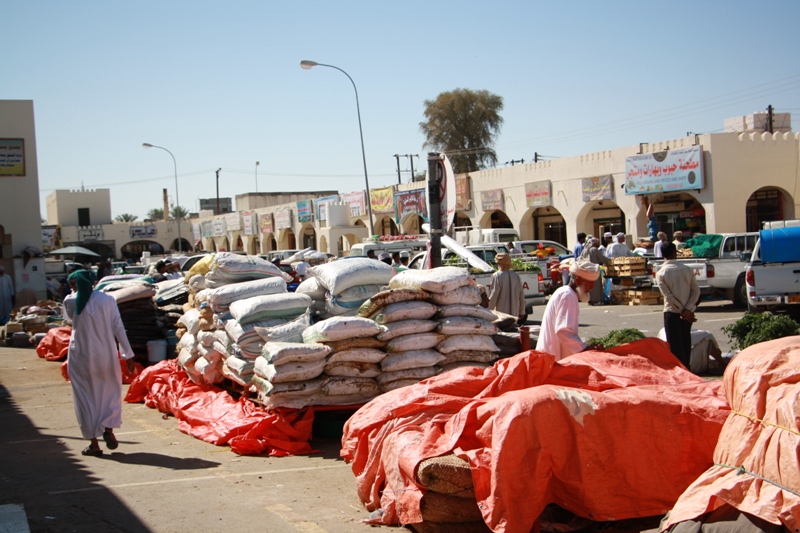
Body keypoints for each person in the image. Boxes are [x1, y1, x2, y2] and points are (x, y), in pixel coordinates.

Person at [63, 270, 135, 456]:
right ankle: (108, 427)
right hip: (106, 353)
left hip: (81, 354)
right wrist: (127, 353)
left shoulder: (70, 301)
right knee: (110, 391)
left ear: (74, 284)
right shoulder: (108, 300)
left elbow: (69, 319)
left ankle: (94, 444)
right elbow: (118, 326)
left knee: (84, 396)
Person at [535, 261, 600, 360]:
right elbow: (563, 331)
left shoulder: (566, 293)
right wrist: (585, 349)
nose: (593, 287)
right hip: (553, 359)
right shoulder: (567, 295)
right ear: (578, 280)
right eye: (590, 283)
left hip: (552, 357)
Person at [655, 242, 701, 368]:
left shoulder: (661, 273)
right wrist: (688, 309)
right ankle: (687, 369)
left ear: (662, 255)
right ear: (675, 253)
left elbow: (668, 297)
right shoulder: (687, 269)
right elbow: (696, 291)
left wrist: (682, 310)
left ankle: (680, 371)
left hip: (672, 312)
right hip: (687, 312)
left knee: (675, 346)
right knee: (686, 343)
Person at [487, 253, 526, 325]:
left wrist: (489, 311)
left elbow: (494, 295)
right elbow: (521, 295)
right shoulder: (515, 275)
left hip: (501, 313)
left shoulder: (497, 276)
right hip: (514, 312)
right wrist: (521, 311)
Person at [580, 238, 609, 305]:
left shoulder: (584, 250)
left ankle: (590, 300)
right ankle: (596, 300)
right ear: (595, 243)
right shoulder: (594, 250)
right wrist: (610, 260)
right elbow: (603, 259)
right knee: (596, 286)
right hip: (594, 270)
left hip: (586, 271)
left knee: (589, 286)